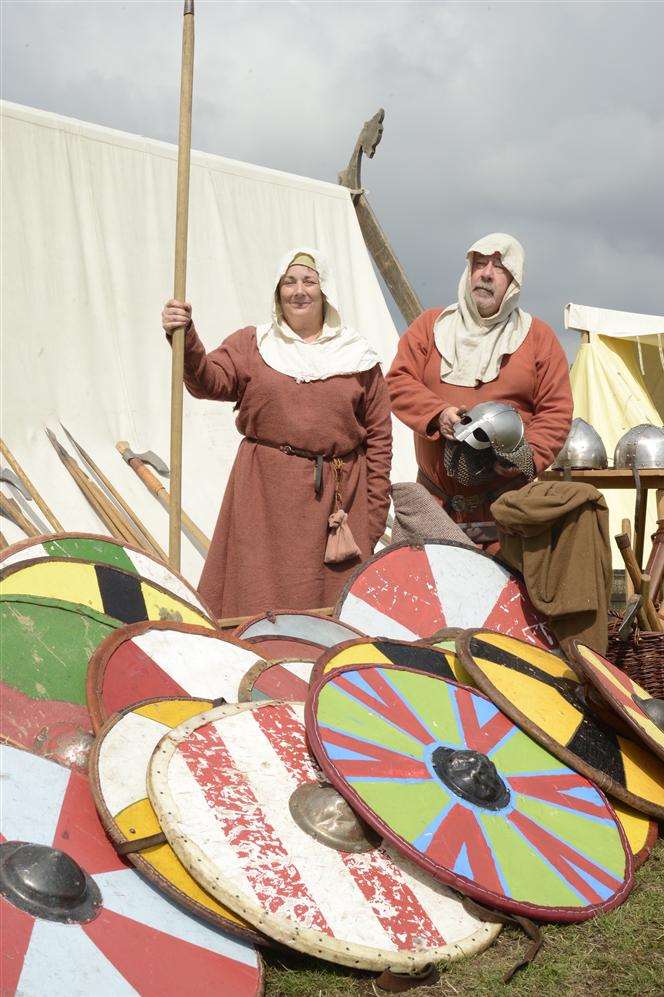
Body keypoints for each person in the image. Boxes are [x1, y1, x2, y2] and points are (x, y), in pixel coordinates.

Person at [162, 247, 392, 619]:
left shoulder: (358, 356)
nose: (298, 291)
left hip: (336, 504)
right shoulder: (254, 345)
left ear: (324, 291)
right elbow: (208, 380)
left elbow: (380, 440)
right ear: (277, 292)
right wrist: (185, 335)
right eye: (289, 282)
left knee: (330, 617)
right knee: (255, 605)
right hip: (263, 497)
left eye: (309, 281)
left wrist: (372, 517)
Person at [386, 233, 573, 536]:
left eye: (499, 267)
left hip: (508, 509)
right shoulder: (429, 327)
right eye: (479, 264)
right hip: (436, 508)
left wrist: (524, 458)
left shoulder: (539, 338)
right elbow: (397, 382)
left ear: (513, 281)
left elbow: (556, 411)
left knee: (507, 585)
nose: (486, 273)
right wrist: (438, 413)